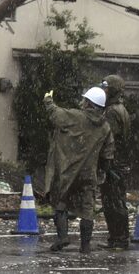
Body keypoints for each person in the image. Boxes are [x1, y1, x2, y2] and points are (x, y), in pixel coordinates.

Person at [43, 86, 114, 253]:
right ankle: (85, 245)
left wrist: (48, 100)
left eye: (85, 100)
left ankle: (62, 237)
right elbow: (108, 152)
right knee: (88, 208)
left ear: (88, 103)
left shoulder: (76, 116)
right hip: (89, 173)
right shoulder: (105, 127)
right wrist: (105, 170)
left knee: (61, 201)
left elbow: (56, 115)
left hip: (68, 170)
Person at [98, 75, 131, 250]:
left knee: (112, 201)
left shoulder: (111, 111)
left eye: (106, 88)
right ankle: (120, 237)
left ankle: (118, 238)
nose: (104, 91)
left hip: (113, 162)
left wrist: (106, 163)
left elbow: (109, 138)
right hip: (120, 161)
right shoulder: (121, 109)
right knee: (117, 200)